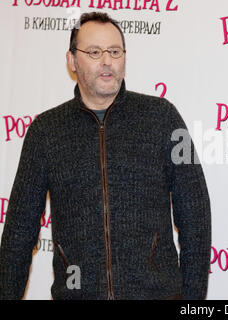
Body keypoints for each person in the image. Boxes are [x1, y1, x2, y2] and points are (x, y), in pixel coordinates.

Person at [0, 12, 211, 300]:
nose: (107, 61)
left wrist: (193, 300)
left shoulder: (163, 117)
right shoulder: (46, 131)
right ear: (72, 61)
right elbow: (19, 230)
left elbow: (195, 211)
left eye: (114, 51)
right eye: (94, 52)